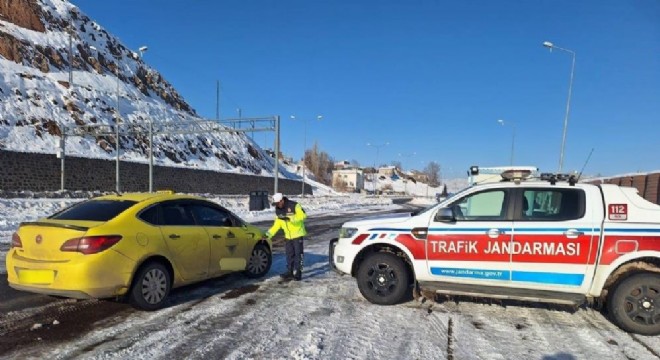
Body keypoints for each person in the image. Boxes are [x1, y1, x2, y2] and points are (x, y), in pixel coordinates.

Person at [263, 192, 307, 281]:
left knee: (299, 254)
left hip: (298, 234)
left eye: (277, 203)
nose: (277, 206)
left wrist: (291, 218)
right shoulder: (278, 211)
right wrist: (268, 235)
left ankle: (298, 272)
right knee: (289, 254)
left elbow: (303, 216)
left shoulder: (294, 205)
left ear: (282, 200)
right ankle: (290, 271)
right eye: (275, 204)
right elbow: (276, 225)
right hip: (288, 236)